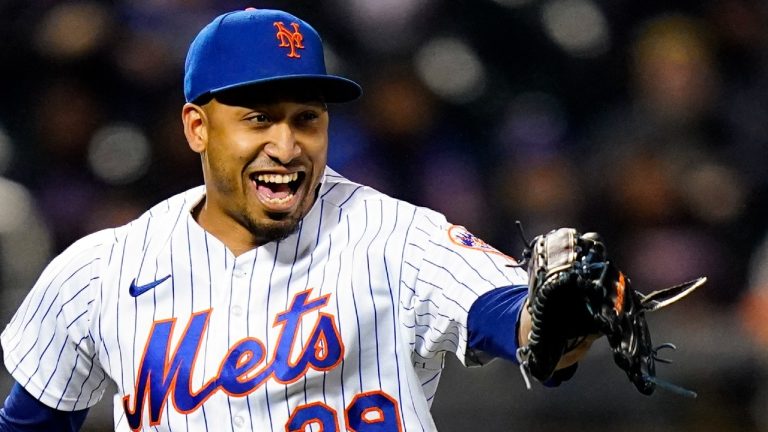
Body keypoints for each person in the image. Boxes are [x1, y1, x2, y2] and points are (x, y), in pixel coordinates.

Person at [0, 8, 594, 431]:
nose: (288, 146)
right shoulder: (99, 271)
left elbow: (521, 324)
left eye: (307, 118)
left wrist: (562, 322)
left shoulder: (396, 236)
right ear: (197, 128)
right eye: (259, 118)